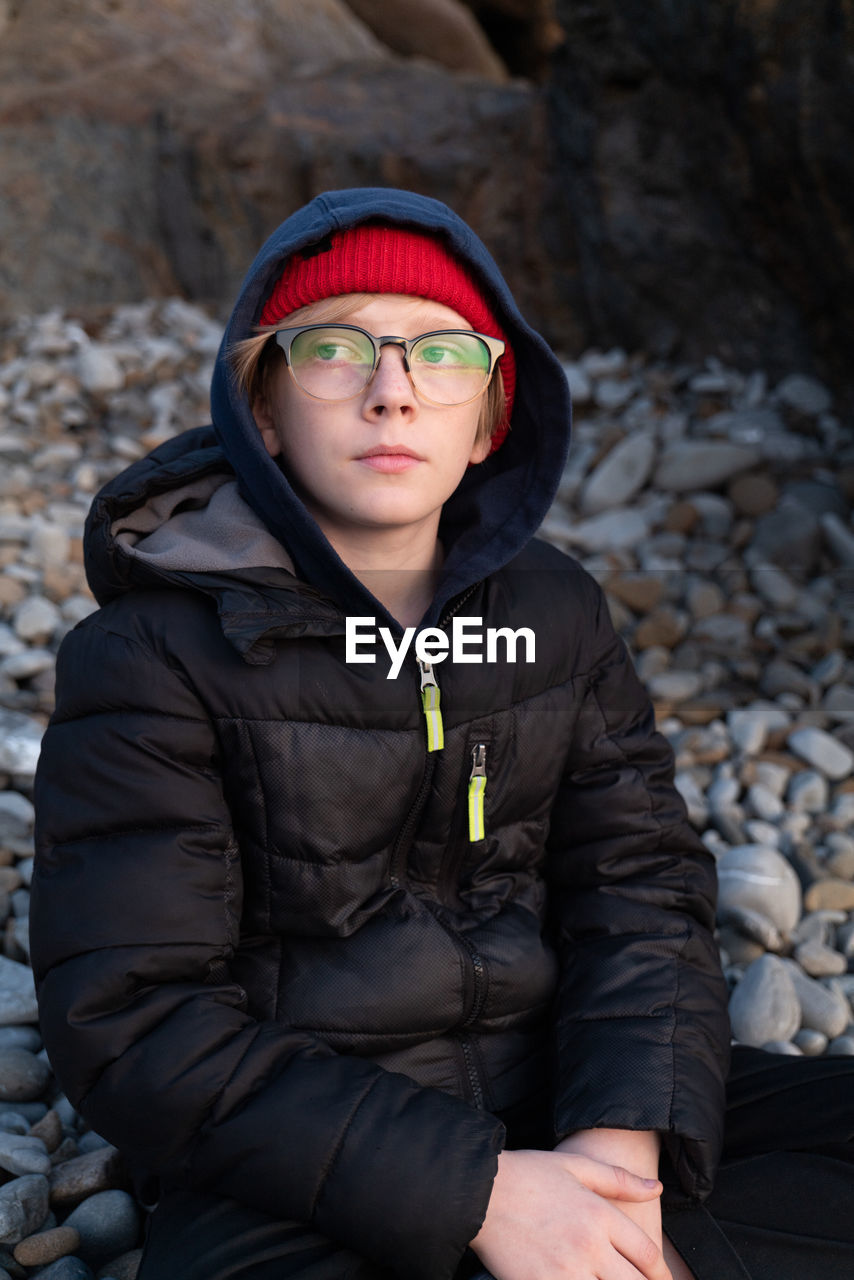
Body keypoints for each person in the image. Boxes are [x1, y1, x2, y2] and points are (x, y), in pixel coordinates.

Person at [29, 188, 853, 1280]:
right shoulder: (148, 656)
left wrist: (616, 1142)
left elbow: (642, 884)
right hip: (307, 1157)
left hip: (560, 1078)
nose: (391, 392)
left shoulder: (555, 614)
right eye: (333, 348)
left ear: (488, 417)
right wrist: (480, 1192)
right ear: (261, 410)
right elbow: (137, 1018)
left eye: (442, 354)